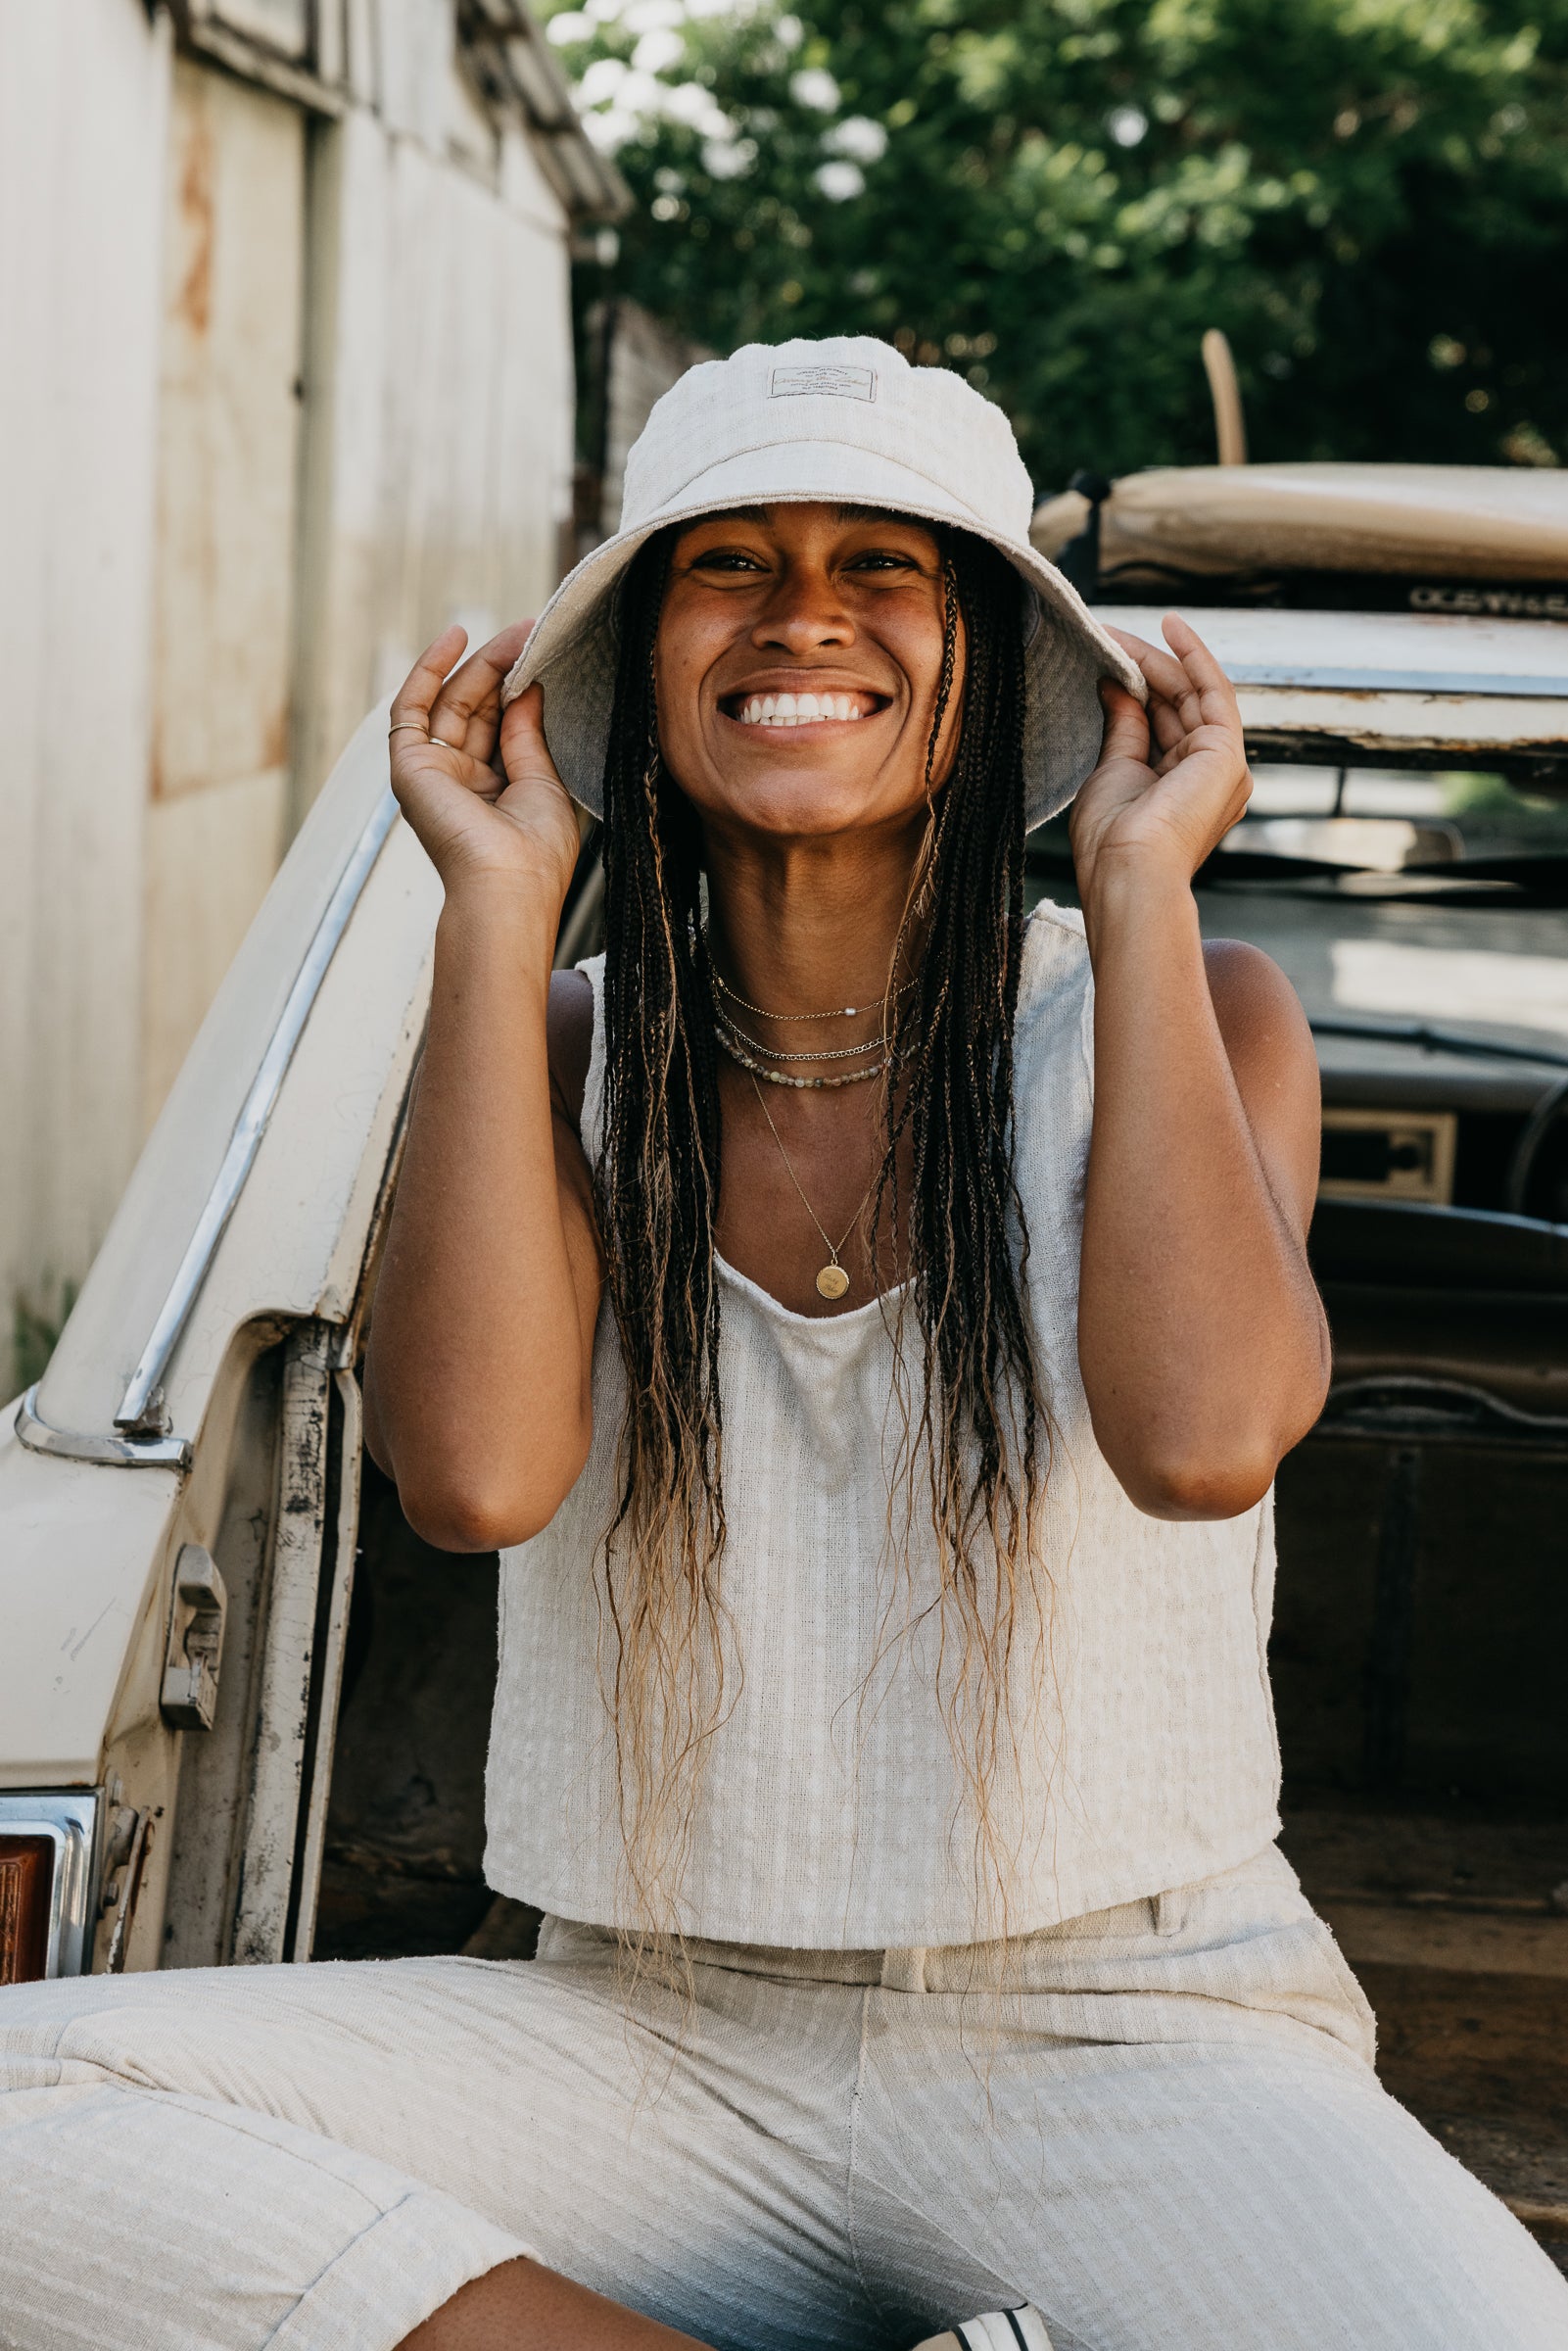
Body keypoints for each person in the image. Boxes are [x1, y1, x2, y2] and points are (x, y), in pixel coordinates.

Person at [2, 338, 1563, 2351]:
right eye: (725, 561)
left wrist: (1139, 879)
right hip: (645, 2032)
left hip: (1127, 2029)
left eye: (882, 566)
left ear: (993, 656)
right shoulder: (545, 1046)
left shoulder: (1190, 1007)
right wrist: (494, 903)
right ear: (645, 660)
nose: (802, 612)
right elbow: (475, 1479)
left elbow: (1204, 1441)